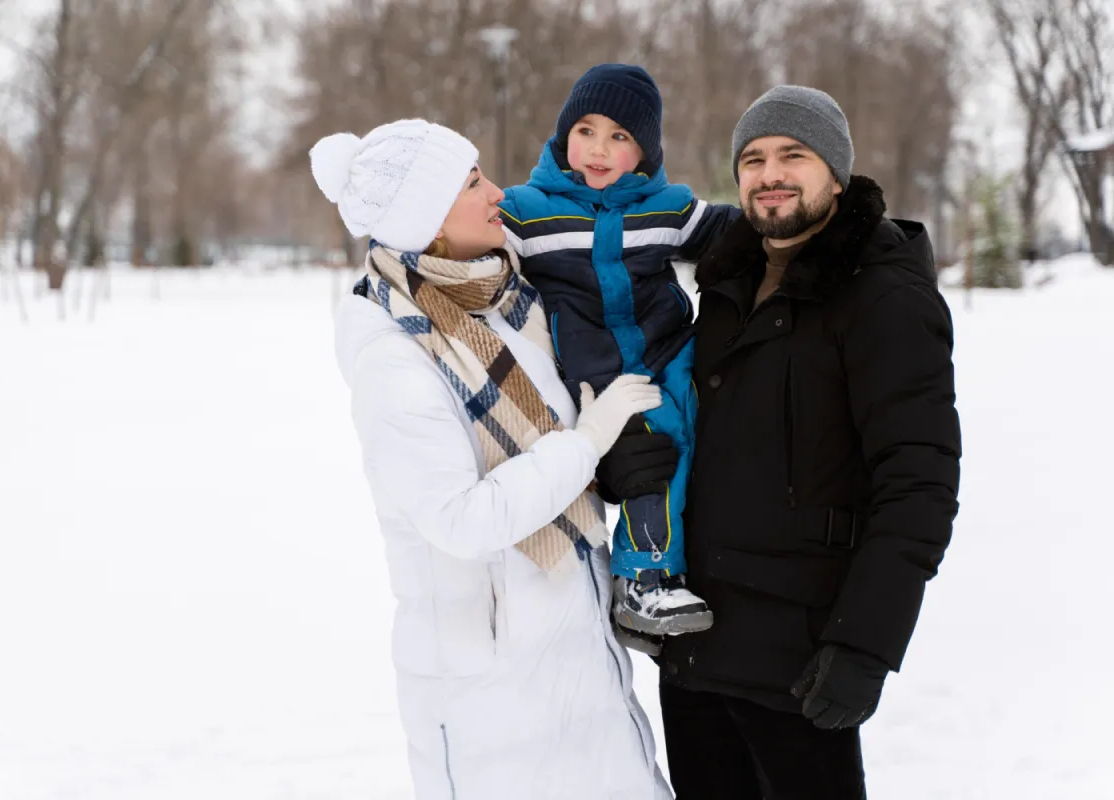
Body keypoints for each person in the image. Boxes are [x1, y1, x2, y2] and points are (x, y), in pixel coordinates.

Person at [313, 118, 674, 800]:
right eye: (472, 182)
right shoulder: (396, 358)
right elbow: (460, 519)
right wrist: (585, 442)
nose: (497, 192)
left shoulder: (506, 301)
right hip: (491, 685)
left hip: (575, 646)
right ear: (428, 222)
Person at [657, 86, 963, 799]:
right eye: (755, 159)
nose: (771, 174)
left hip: (800, 655)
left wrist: (865, 643)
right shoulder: (726, 286)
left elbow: (918, 483)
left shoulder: (885, 296)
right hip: (697, 645)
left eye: (794, 154)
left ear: (837, 172)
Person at [500, 64, 739, 643]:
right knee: (653, 448)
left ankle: (703, 557)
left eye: (620, 136)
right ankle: (642, 579)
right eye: (586, 130)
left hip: (671, 349)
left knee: (705, 432)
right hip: (602, 374)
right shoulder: (529, 211)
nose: (599, 149)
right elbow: (476, 247)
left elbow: (739, 230)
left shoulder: (668, 208)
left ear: (646, 152)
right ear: (563, 136)